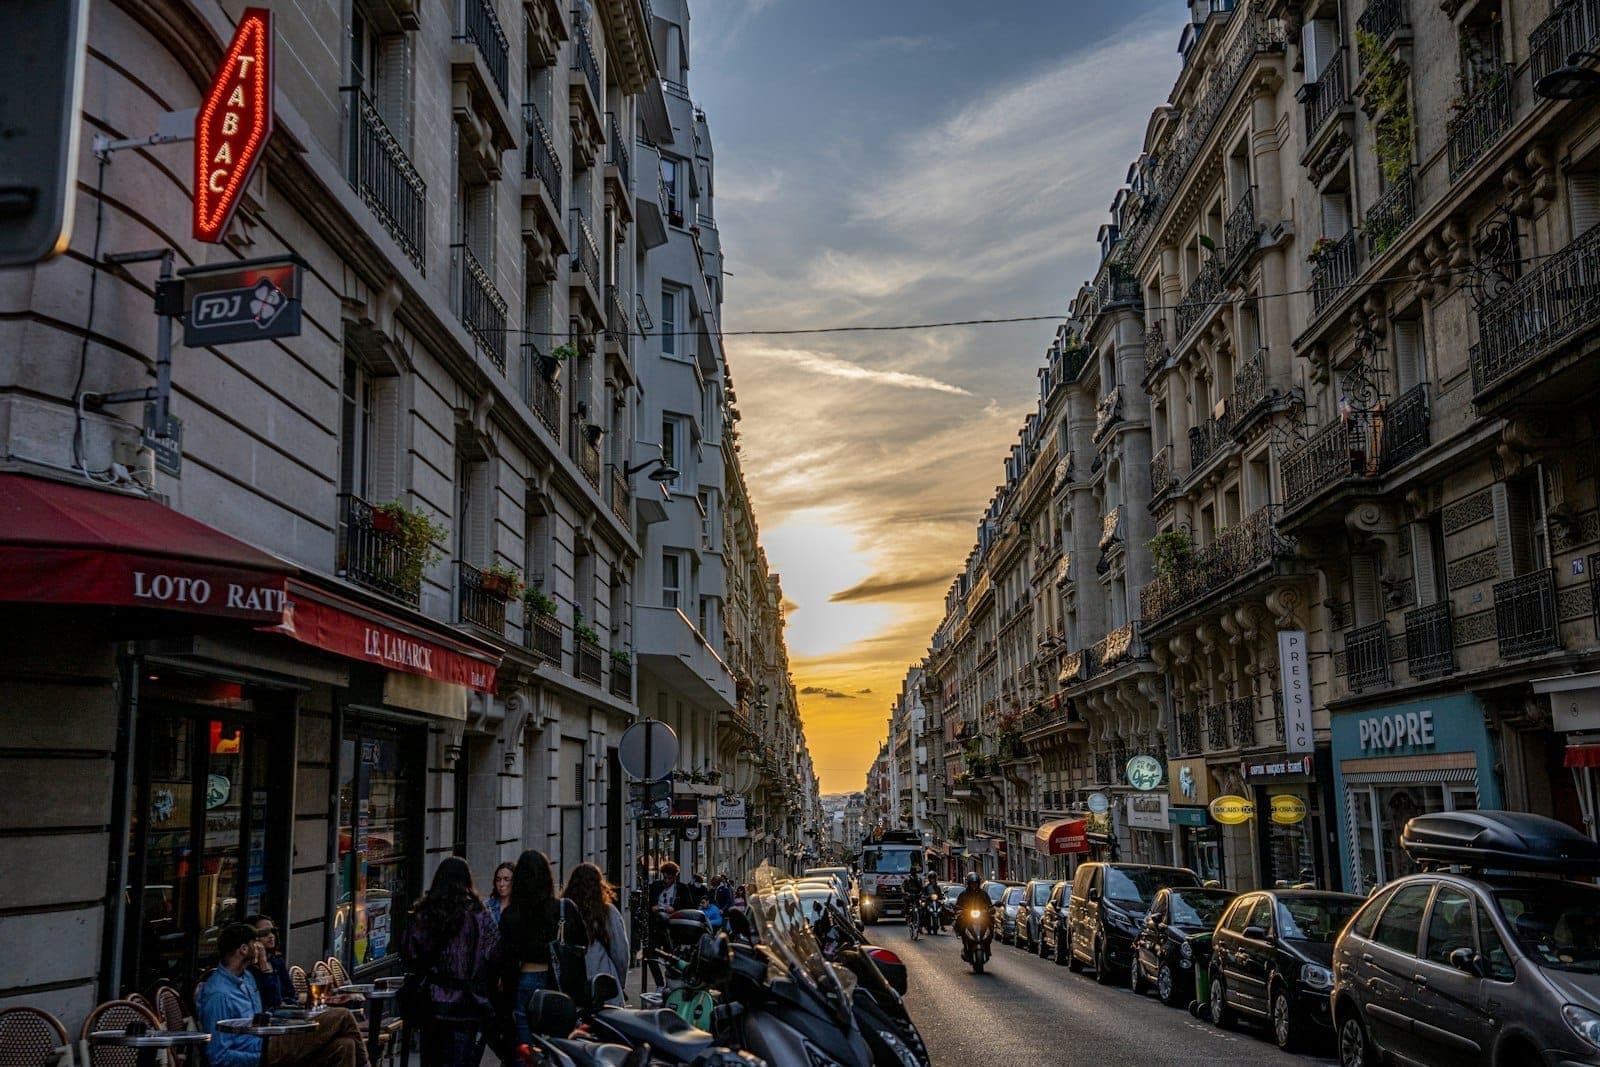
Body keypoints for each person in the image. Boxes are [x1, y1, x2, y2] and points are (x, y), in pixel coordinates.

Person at [198, 923, 367, 1067]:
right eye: (255, 943)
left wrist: (265, 965)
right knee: (343, 1016)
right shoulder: (218, 994)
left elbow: (275, 1003)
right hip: (262, 1050)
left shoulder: (247, 977)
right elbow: (218, 1056)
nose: (259, 947)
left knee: (345, 1046)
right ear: (243, 949)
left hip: (272, 1039)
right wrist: (260, 1060)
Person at [398, 856, 500, 1067]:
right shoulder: (479, 915)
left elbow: (408, 950)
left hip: (433, 1002)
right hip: (468, 1002)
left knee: (432, 1059)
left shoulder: (425, 914)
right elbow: (494, 953)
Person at [498, 849, 586, 1051]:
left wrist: (508, 1002)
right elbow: (582, 944)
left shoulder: (511, 915)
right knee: (557, 1048)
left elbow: (507, 961)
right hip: (559, 982)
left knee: (526, 1051)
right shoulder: (564, 909)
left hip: (526, 978)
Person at [563, 861, 629, 1005]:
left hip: (571, 988)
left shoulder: (564, 911)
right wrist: (620, 983)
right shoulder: (607, 912)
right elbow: (620, 953)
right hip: (603, 985)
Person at [643, 861, 693, 985]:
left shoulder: (682, 888)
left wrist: (675, 910)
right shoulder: (655, 886)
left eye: (670, 878)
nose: (666, 881)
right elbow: (647, 903)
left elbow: (689, 906)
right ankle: (659, 983)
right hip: (656, 926)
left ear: (675, 877)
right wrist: (652, 907)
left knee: (671, 957)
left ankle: (669, 982)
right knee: (650, 956)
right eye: (665, 877)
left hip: (672, 928)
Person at [242, 913, 297, 1008]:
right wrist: (263, 962)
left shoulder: (277, 961)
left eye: (272, 931)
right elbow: (269, 999)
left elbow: (291, 992)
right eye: (264, 933)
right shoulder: (248, 967)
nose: (271, 936)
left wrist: (288, 1004)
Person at [953, 872, 992, 957]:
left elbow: (989, 905)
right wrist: (959, 910)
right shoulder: (964, 894)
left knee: (990, 924)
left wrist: (989, 910)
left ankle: (987, 947)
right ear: (969, 884)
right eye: (972, 884)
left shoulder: (983, 894)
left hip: (981, 917)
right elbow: (958, 905)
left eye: (975, 884)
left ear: (978, 884)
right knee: (961, 924)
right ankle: (965, 944)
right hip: (968, 917)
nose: (974, 885)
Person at [487, 861, 515, 926]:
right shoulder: (487, 906)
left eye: (506, 879)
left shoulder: (520, 907)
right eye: (498, 880)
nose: (501, 884)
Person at [901, 869, 924, 937]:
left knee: (921, 910)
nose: (914, 875)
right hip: (909, 897)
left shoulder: (918, 880)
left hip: (917, 897)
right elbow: (903, 887)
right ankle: (907, 916)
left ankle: (920, 927)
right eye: (913, 873)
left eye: (915, 873)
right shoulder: (907, 880)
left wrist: (921, 893)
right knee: (907, 905)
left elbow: (922, 888)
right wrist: (906, 893)